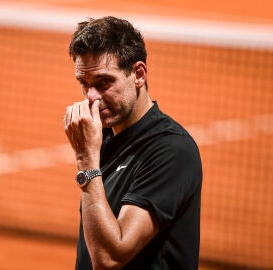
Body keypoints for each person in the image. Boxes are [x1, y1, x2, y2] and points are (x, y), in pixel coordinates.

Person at [64, 16, 202, 270]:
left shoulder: (171, 151)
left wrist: (86, 162)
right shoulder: (101, 137)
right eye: (84, 84)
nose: (91, 97)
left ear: (138, 74)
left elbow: (109, 258)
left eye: (104, 82)